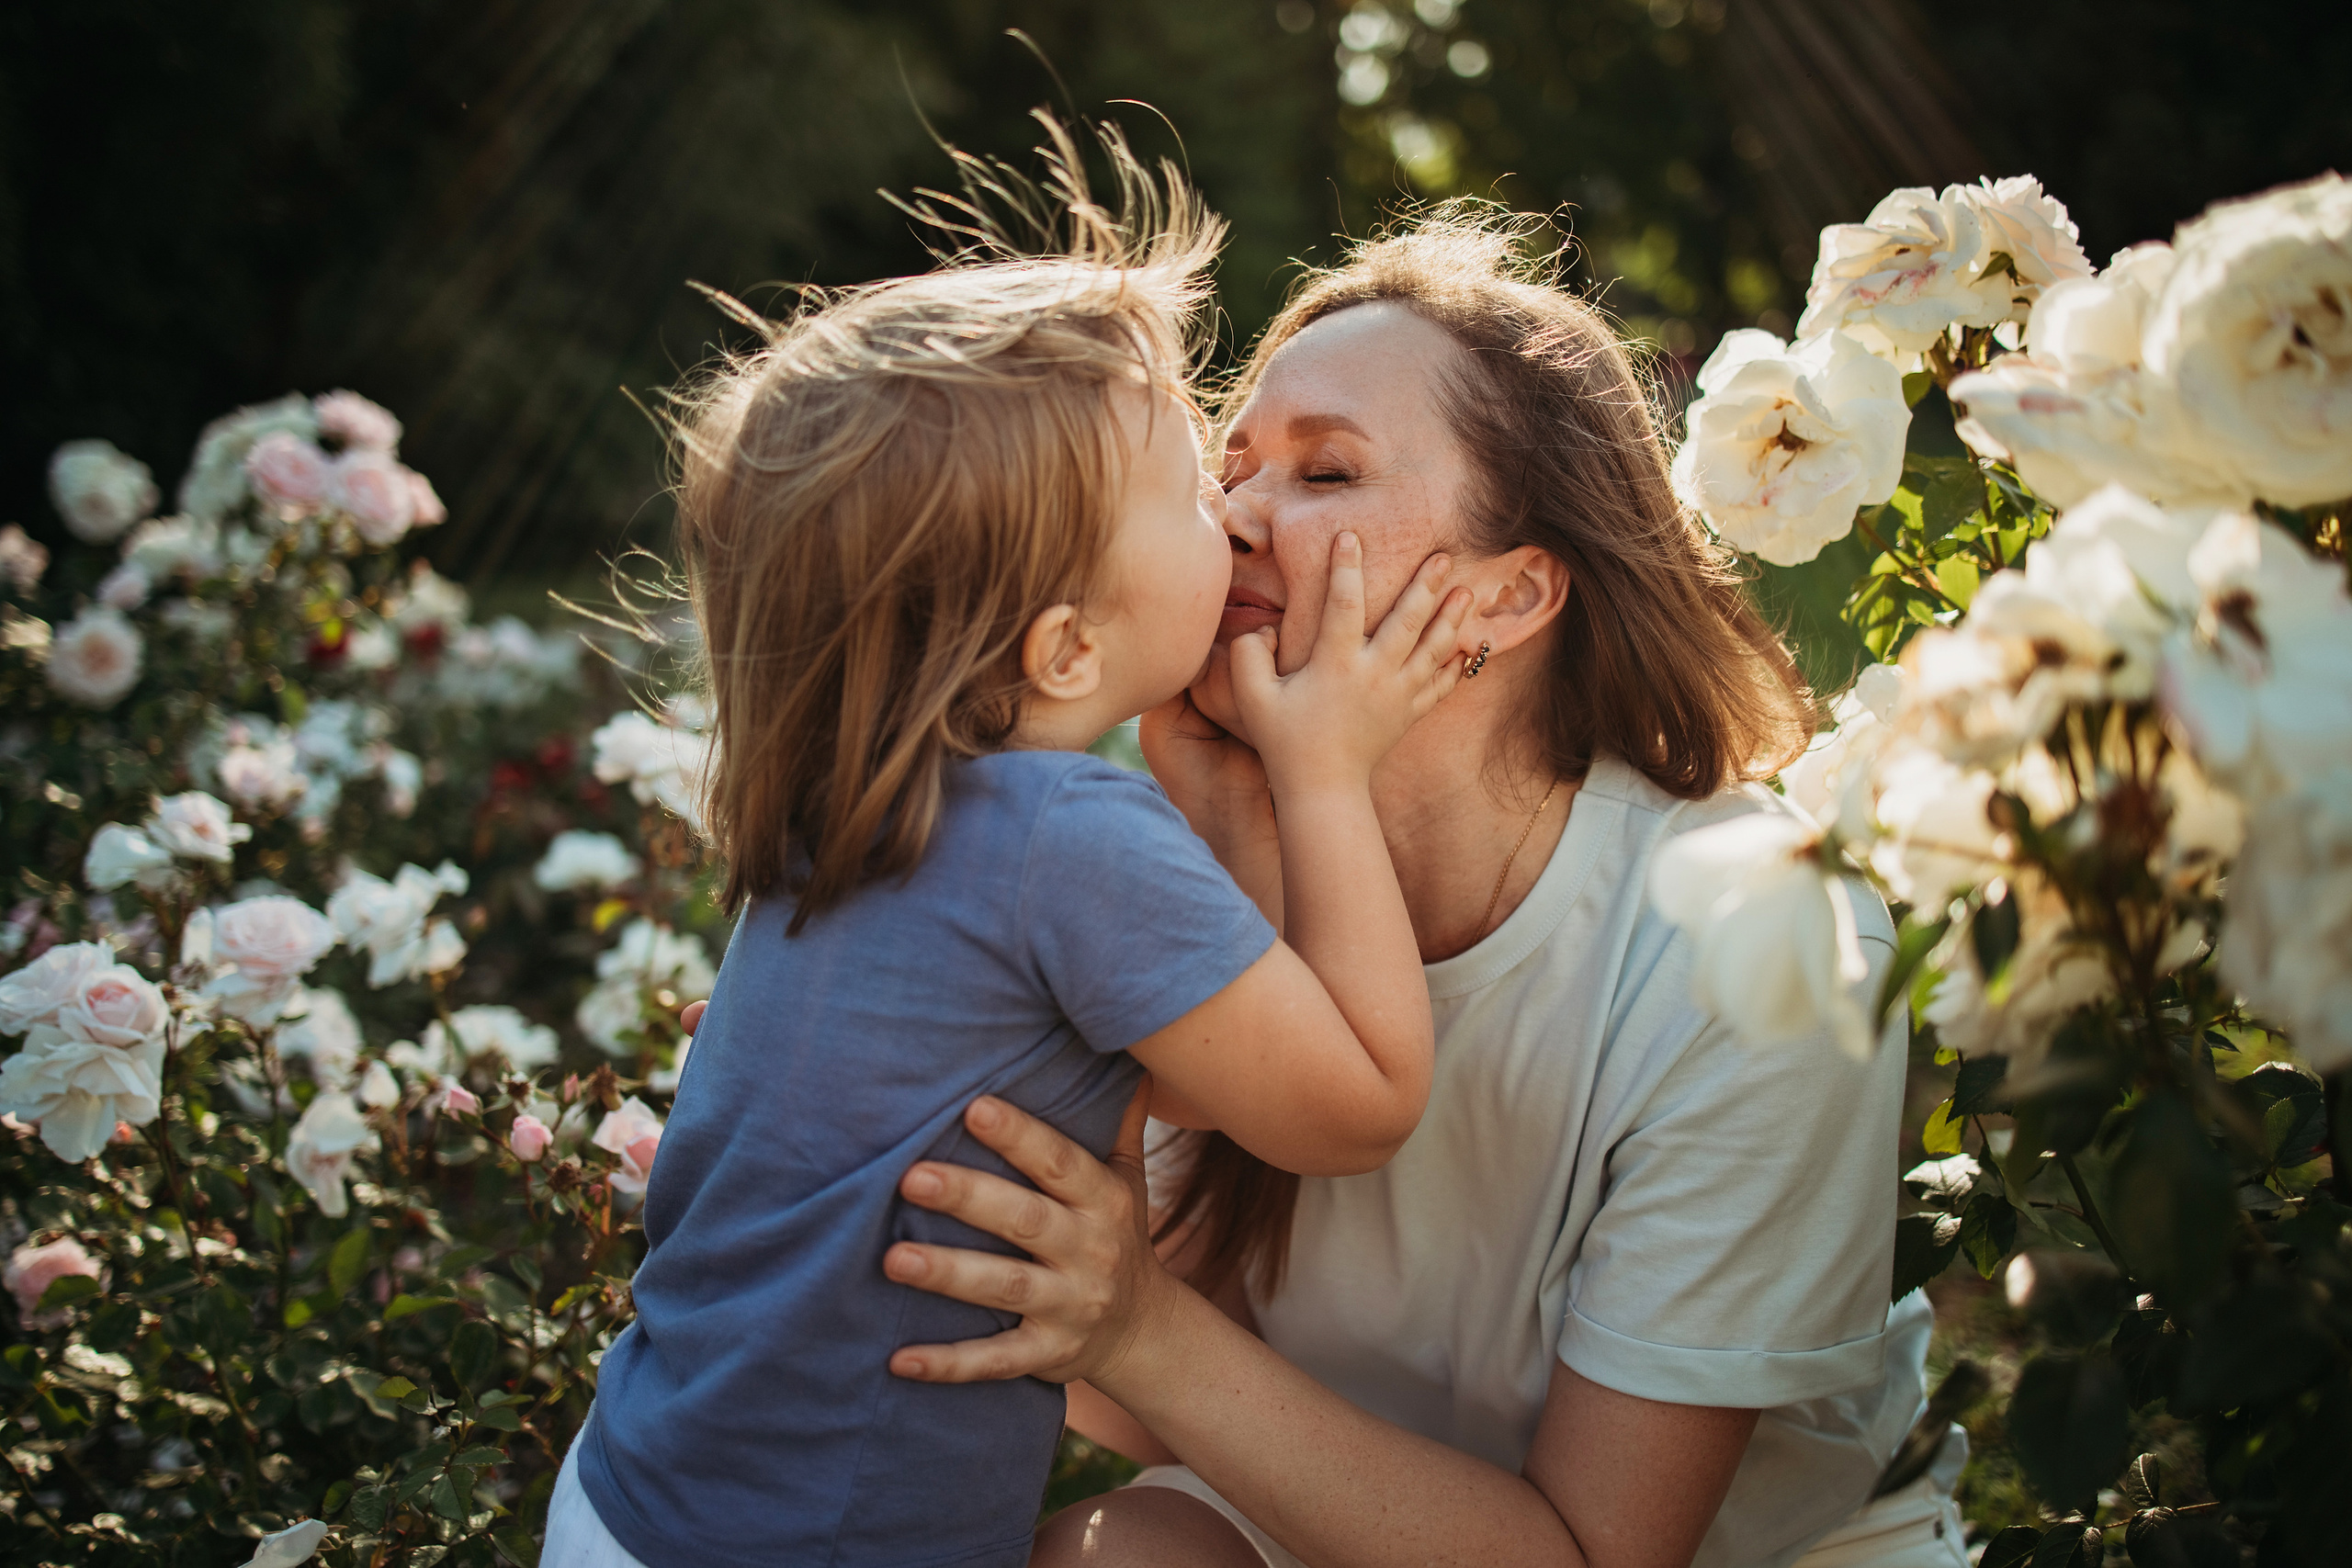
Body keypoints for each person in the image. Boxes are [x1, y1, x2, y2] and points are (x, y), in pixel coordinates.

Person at [866, 209, 1969, 1568]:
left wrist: (1137, 1320)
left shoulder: (1759, 937)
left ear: (1509, 599)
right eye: (1233, 469)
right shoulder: (1162, 849)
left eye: (1326, 473)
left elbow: (1596, 1553)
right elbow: (1125, 1404)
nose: (1237, 517)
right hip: (1317, 1501)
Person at [544, 136, 1480, 1568]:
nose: (1231, 516)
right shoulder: (1064, 838)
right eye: (1187, 493)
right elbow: (1353, 1105)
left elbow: (1201, 1078)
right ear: (1065, 647)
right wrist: (1321, 769)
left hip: (634, 1503)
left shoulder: (863, 814)